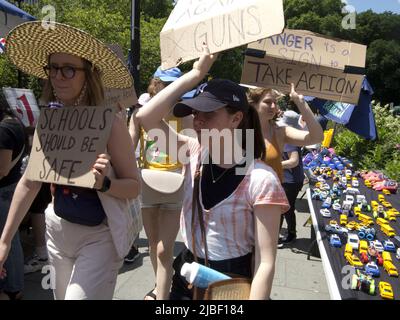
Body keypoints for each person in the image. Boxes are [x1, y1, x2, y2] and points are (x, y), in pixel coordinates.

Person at [136, 47, 290, 300]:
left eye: (208, 114)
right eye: (196, 113)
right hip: (186, 275)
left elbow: (265, 262)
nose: (197, 121)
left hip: (230, 283)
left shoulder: (260, 179)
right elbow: (146, 117)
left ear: (235, 118)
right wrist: (195, 74)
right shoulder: (194, 152)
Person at [0, 21, 139, 300]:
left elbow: (135, 187)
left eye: (68, 69)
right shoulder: (48, 121)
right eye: (53, 68)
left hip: (99, 237)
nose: (58, 77)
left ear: (88, 75)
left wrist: (105, 183)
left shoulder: (109, 123)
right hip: (57, 232)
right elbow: (30, 183)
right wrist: (3, 242)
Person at [129, 67, 190, 300]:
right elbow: (128, 147)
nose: (170, 89)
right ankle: (160, 284)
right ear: (155, 84)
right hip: (147, 183)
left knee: (165, 248)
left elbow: (191, 152)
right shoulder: (140, 114)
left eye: (175, 84)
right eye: (165, 83)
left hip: (175, 183)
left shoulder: (186, 115)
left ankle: (162, 296)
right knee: (154, 244)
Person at [247, 87, 323, 184]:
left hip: (272, 194)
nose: (273, 106)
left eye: (275, 102)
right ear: (253, 104)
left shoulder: (280, 132)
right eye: (268, 102)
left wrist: (301, 103)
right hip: (246, 196)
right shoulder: (243, 131)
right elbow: (239, 174)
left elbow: (317, 137)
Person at [0, 94, 26, 300]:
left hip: (5, 189)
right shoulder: (15, 123)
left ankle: (13, 288)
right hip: (14, 186)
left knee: (8, 239)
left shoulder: (3, 130)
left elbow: (2, 169)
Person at [276, 111, 305, 246]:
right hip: (290, 179)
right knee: (284, 208)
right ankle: (285, 233)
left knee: (284, 208)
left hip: (291, 181)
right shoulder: (290, 139)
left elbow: (294, 161)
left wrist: (274, 164)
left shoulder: (289, 141)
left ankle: (290, 234)